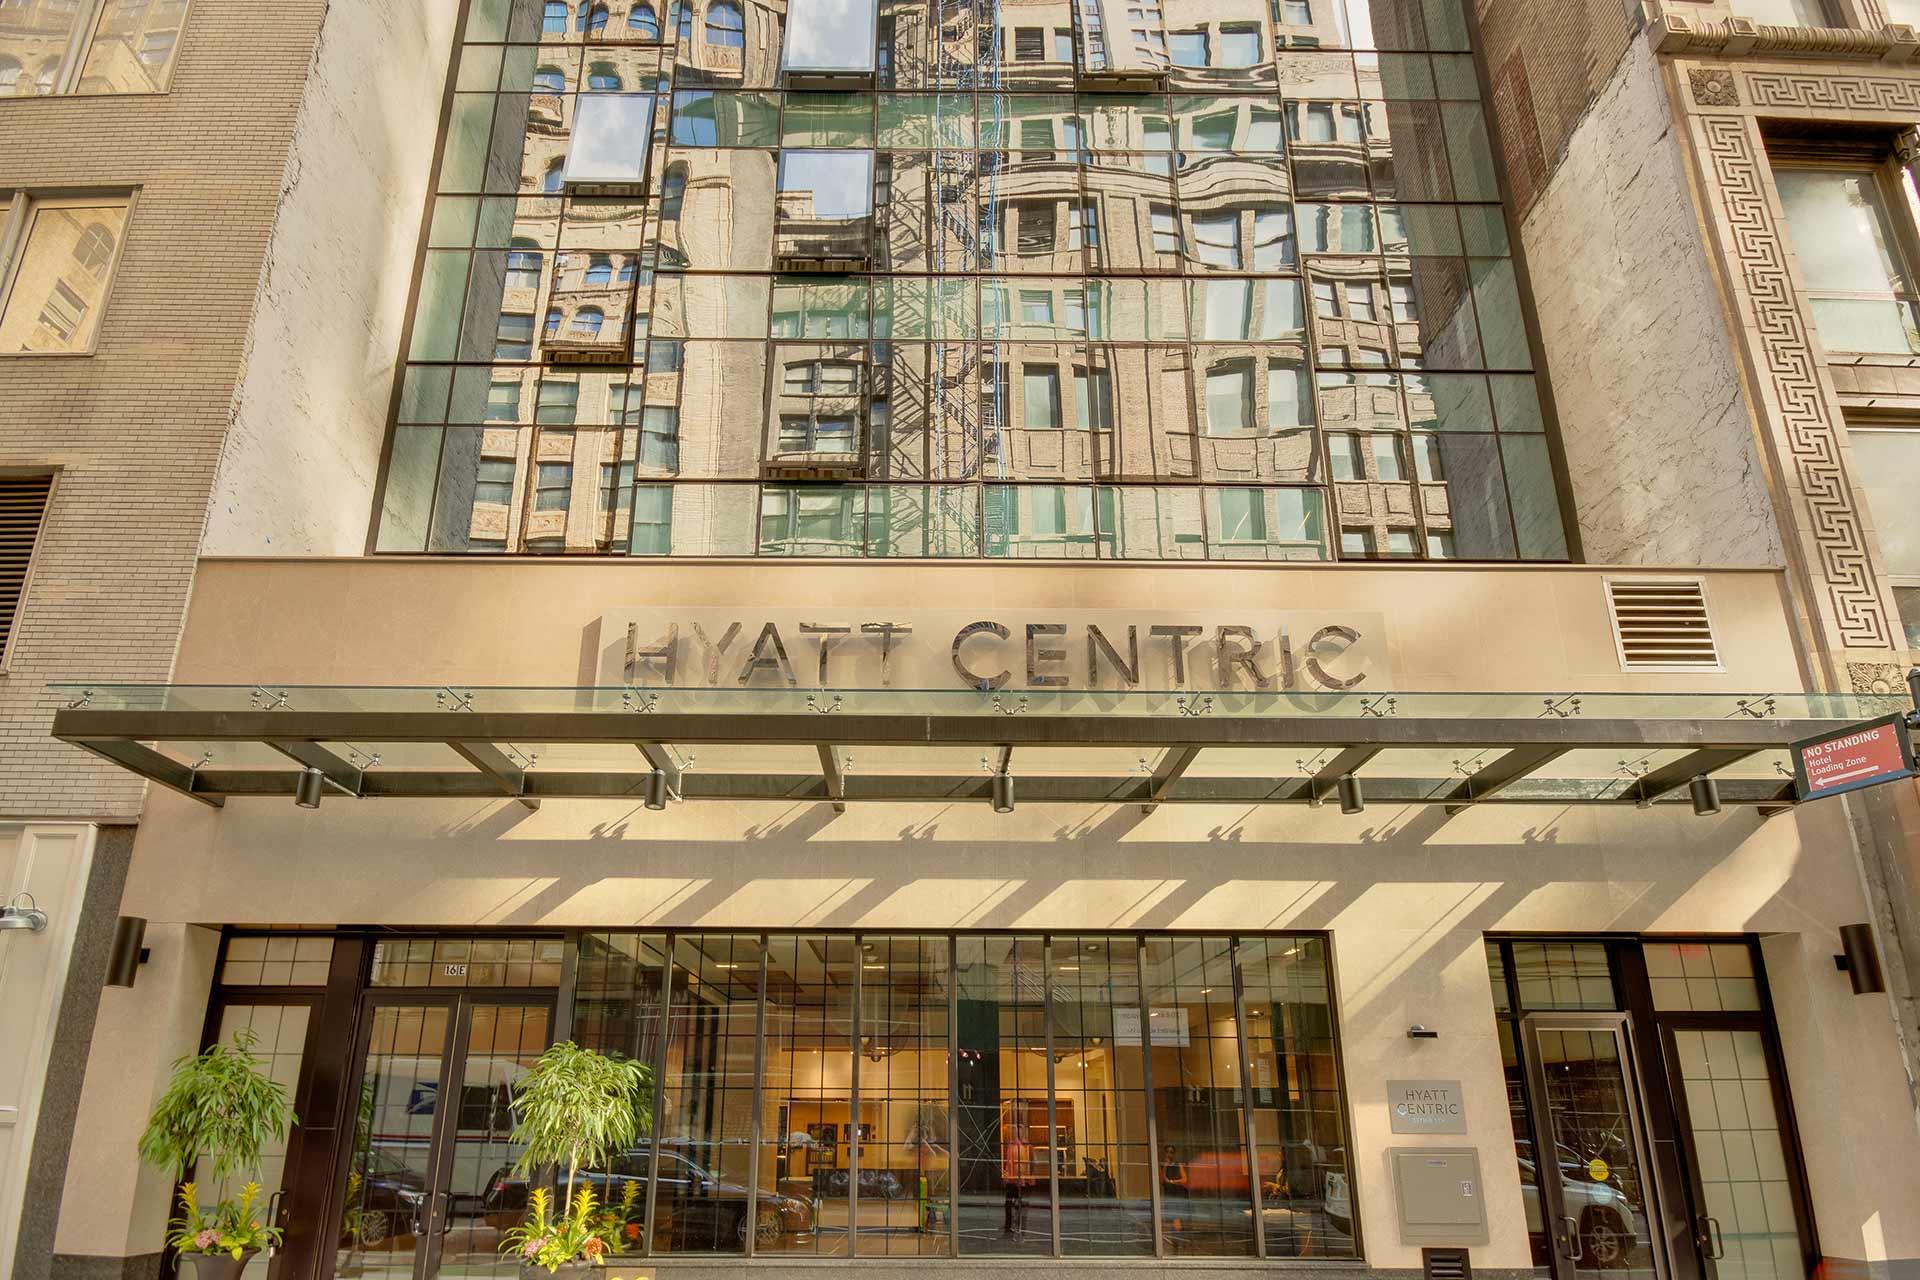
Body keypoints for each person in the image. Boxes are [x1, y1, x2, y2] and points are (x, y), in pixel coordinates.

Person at [1002, 1125, 1032, 1236]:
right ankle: (1012, 1225)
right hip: (1014, 1179)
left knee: (1012, 1204)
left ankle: (1012, 1225)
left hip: (1015, 1180)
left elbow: (1019, 1165)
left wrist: (1018, 1179)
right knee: (1012, 1204)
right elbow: (1009, 1163)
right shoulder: (1014, 1146)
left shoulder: (1017, 1147)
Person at [1160, 1144, 1189, 1232]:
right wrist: (1165, 1166)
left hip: (1177, 1191)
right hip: (1169, 1192)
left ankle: (1178, 1231)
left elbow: (1185, 1179)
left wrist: (1173, 1181)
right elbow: (1162, 1180)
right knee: (1172, 1214)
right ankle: (1177, 1232)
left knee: (1176, 1214)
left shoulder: (1178, 1164)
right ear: (1165, 1153)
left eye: (1171, 1152)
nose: (1169, 1154)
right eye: (1167, 1152)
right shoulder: (1162, 1165)